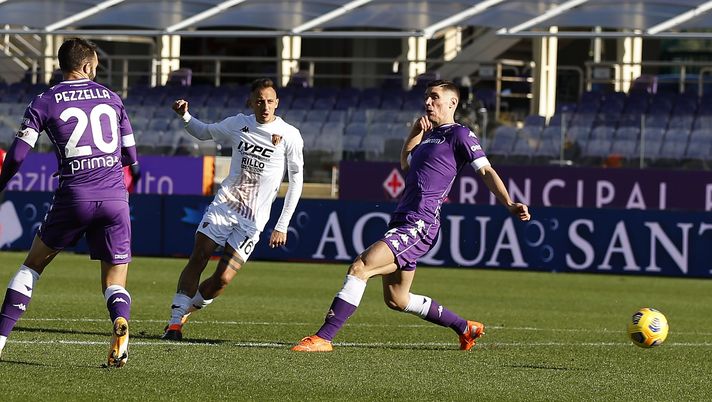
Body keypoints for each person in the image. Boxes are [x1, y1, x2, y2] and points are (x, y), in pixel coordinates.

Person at [292, 80, 531, 352]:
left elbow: (486, 171)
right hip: (404, 218)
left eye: (435, 98)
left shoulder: (460, 134)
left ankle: (323, 338)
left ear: (452, 103)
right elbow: (406, 163)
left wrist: (509, 202)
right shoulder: (430, 136)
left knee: (361, 267)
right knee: (397, 299)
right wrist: (415, 133)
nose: (428, 102)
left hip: (420, 222)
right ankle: (465, 328)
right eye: (427, 98)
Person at [0, 38, 137, 367]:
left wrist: (2, 183)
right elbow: (131, 156)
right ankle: (120, 322)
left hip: (75, 194)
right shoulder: (113, 98)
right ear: (88, 66)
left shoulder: (45, 100)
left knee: (33, 265)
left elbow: (19, 154)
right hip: (115, 196)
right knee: (114, 279)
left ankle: (0, 339)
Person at [162, 78, 304, 341]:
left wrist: (282, 224)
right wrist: (185, 116)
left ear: (277, 103)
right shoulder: (238, 123)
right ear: (251, 102)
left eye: (270, 101)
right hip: (225, 205)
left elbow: (296, 182)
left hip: (254, 219)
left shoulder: (290, 135)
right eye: (260, 100)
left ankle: (185, 311)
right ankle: (174, 323)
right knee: (200, 255)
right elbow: (203, 131)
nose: (265, 106)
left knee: (223, 279)